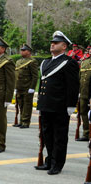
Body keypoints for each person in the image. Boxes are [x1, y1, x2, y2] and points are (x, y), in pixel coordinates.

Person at [35, 31, 79, 175]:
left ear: (64, 46)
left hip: (60, 106)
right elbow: (43, 84)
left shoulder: (69, 62)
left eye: (56, 43)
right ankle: (49, 161)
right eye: (52, 43)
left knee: (59, 136)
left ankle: (57, 164)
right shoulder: (46, 62)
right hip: (46, 105)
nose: (52, 44)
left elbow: (73, 86)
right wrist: (40, 103)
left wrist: (71, 105)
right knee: (47, 135)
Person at [13, 44, 38, 129]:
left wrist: (32, 87)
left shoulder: (32, 61)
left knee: (27, 105)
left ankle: (26, 122)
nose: (22, 52)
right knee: (21, 104)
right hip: (19, 86)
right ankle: (21, 121)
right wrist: (15, 87)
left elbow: (35, 76)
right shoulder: (18, 62)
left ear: (29, 52)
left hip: (27, 87)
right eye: (21, 50)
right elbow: (16, 75)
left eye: (24, 50)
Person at [78, 52, 91, 141]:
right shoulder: (84, 62)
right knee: (83, 112)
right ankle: (86, 133)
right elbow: (80, 78)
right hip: (84, 93)